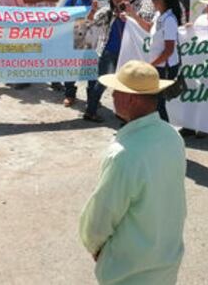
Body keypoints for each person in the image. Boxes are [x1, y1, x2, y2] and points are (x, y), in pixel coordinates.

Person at [79, 60, 186, 284]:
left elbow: (100, 218)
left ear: (130, 98)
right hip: (166, 262)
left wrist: (96, 248)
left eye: (116, 91)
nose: (112, 96)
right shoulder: (172, 136)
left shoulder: (124, 155)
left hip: (130, 272)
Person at [125, 0, 181, 123]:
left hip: (164, 68)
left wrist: (151, 65)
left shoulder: (169, 21)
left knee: (158, 103)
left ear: (161, 0)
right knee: (154, 101)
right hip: (158, 66)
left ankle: (164, 131)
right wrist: (132, 14)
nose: (151, 1)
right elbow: (149, 27)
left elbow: (169, 50)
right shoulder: (159, 15)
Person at [84, 0, 131, 123]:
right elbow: (91, 22)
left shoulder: (130, 12)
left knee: (121, 84)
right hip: (108, 52)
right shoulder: (106, 12)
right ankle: (90, 111)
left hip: (124, 52)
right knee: (102, 82)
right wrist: (93, 11)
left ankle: (121, 112)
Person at [62, 0, 96, 106]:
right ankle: (70, 94)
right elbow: (63, 16)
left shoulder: (97, 2)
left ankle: (92, 98)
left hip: (91, 40)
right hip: (74, 37)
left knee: (91, 70)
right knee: (71, 68)